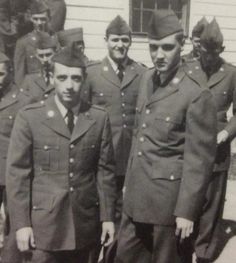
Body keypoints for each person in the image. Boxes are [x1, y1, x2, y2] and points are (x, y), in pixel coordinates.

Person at [115, 9, 217, 263]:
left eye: (167, 47)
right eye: (153, 47)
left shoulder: (195, 93)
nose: (158, 55)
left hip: (168, 206)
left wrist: (187, 211)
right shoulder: (147, 78)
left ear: (181, 46)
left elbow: (199, 160)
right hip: (136, 197)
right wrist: (128, 183)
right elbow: (140, 136)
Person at [6, 45, 117, 263]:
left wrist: (107, 218)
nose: (69, 86)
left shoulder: (98, 118)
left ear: (84, 79)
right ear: (51, 78)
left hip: (84, 225)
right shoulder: (30, 117)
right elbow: (18, 175)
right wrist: (22, 224)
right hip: (43, 227)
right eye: (62, 77)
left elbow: (105, 173)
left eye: (75, 78)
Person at [86, 15, 146, 229]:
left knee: (126, 209)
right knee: (100, 206)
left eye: (124, 40)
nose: (120, 45)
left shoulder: (141, 73)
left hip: (130, 153)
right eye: (115, 40)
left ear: (130, 42)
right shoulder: (92, 73)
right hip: (101, 153)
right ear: (106, 40)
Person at [184, 18, 236, 263]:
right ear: (199, 49)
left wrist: (226, 134)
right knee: (189, 197)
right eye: (205, 53)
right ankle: (183, 246)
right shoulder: (188, 69)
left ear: (221, 51)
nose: (209, 59)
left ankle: (203, 252)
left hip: (218, 147)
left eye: (214, 54)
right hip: (189, 144)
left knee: (212, 203)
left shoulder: (231, 73)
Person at [0, 51, 33, 263]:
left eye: (1, 74)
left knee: (12, 222)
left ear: (10, 73)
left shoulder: (23, 100)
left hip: (8, 174)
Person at [13, 0, 53, 86]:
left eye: (43, 19)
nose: (39, 23)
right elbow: (19, 76)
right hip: (33, 90)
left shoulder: (56, 39)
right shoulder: (23, 43)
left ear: (49, 19)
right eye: (36, 19)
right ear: (31, 19)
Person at [19, 31, 58, 102]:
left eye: (48, 55)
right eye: (41, 56)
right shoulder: (30, 79)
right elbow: (23, 106)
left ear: (56, 53)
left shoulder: (64, 76)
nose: (45, 59)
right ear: (36, 56)